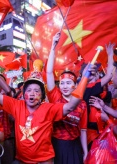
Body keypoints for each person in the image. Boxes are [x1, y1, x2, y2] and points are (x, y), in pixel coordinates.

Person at [0, 58, 96, 163]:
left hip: (44, 161)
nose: (32, 94)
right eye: (29, 90)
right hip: (22, 161)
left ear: (42, 96)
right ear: (24, 94)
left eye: (37, 91)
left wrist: (84, 79)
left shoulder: (49, 108)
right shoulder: (17, 105)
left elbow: (71, 106)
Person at [46, 32, 88, 163]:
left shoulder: (82, 104)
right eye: (62, 83)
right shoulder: (55, 96)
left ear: (75, 86)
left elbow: (83, 130)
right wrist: (53, 46)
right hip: (57, 144)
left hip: (74, 146)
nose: (64, 86)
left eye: (68, 83)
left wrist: (85, 151)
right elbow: (48, 72)